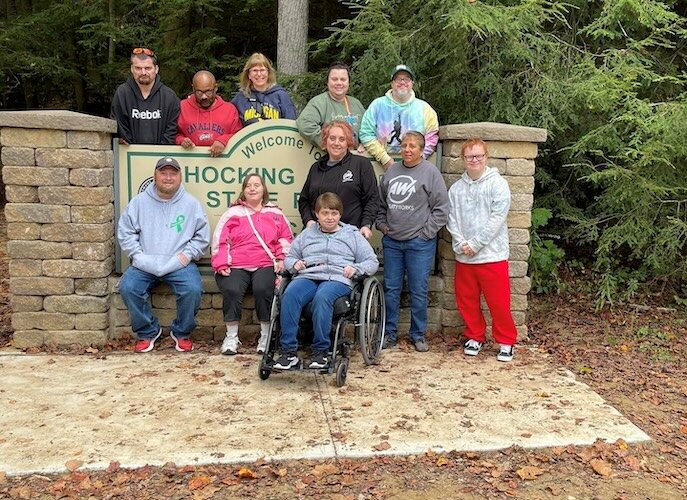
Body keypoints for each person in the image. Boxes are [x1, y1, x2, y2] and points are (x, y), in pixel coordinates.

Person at [274, 192, 379, 370]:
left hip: (337, 278)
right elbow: (289, 258)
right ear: (317, 214)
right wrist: (294, 264)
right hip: (309, 275)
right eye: (325, 213)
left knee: (323, 297)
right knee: (290, 294)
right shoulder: (307, 234)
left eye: (334, 213)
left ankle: (321, 352)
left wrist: (356, 269)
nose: (330, 218)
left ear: (340, 215)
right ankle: (288, 352)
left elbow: (372, 262)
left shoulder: (352, 235)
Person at [117, 157, 210, 353]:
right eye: (163, 173)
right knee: (128, 287)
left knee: (192, 289)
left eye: (173, 173)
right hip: (145, 262)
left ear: (180, 177)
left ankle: (182, 332)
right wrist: (138, 256)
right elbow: (125, 232)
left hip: (178, 262)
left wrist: (185, 256)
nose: (168, 177)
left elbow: (202, 237)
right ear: (155, 176)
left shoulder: (191, 204)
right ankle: (148, 331)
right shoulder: (139, 202)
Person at [376, 131, 449, 352]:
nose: (407, 150)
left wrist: (425, 234)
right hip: (393, 242)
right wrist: (382, 225)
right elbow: (380, 205)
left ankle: (417, 334)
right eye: (404, 145)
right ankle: (389, 333)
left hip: (419, 243)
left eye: (413, 146)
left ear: (421, 149)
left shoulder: (430, 173)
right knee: (391, 288)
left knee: (418, 289)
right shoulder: (391, 172)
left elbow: (442, 209)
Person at [446, 138, 517, 362]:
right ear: (463, 159)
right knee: (467, 301)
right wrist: (460, 243)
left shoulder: (498, 184)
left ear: (486, 157)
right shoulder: (456, 189)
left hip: (491, 255)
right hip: (464, 256)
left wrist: (476, 243)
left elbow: (497, 219)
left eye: (478, 156)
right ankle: (475, 336)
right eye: (470, 157)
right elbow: (451, 218)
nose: (474, 160)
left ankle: (506, 341)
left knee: (499, 302)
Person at [210, 174, 293, 355]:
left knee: (263, 289)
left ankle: (265, 335)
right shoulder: (232, 213)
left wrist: (281, 260)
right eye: (249, 185)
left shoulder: (276, 213)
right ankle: (231, 337)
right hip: (237, 264)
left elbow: (285, 239)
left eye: (257, 185)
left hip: (265, 262)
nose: (253, 188)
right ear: (244, 190)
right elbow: (220, 240)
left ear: (264, 190)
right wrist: (222, 262)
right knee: (231, 289)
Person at [298, 121, 379, 239]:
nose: (336, 143)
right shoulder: (316, 167)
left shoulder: (361, 164)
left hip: (350, 235)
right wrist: (308, 221)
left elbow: (372, 199)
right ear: (326, 141)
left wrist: (366, 225)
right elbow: (304, 201)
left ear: (348, 142)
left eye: (342, 139)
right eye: (332, 138)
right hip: (317, 236)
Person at [359, 64, 439, 170]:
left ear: (412, 84)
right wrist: (384, 159)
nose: (402, 82)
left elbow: (432, 137)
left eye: (407, 79)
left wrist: (418, 159)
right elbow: (365, 133)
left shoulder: (425, 109)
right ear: (392, 83)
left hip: (416, 167)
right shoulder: (377, 105)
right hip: (381, 165)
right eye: (398, 79)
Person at [110, 47, 180, 145]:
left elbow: (172, 130)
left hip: (161, 156)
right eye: (138, 68)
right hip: (129, 155)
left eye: (148, 68)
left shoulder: (169, 97)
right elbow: (120, 128)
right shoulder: (122, 94)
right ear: (132, 69)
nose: (143, 72)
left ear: (156, 69)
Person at [296, 61, 366, 147]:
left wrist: (364, 143)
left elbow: (369, 129)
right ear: (327, 82)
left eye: (343, 79)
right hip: (330, 157)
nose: (339, 83)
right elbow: (304, 125)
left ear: (348, 82)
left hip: (354, 157)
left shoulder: (356, 104)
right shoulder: (319, 102)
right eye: (334, 79)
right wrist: (330, 144)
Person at [176, 70, 242, 157]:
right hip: (190, 163)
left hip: (221, 163)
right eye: (199, 92)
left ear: (216, 88)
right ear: (193, 89)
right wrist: (181, 140)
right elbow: (172, 134)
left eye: (208, 91)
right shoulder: (182, 107)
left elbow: (240, 136)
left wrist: (224, 140)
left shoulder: (229, 109)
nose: (204, 96)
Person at [231, 53, 297, 127]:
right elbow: (233, 127)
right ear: (248, 74)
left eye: (262, 70)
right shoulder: (240, 99)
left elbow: (291, 124)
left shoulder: (281, 96)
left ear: (268, 73)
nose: (259, 74)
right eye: (255, 70)